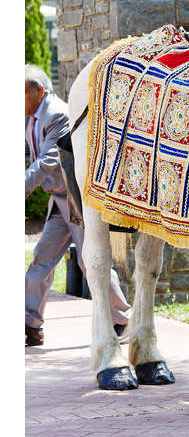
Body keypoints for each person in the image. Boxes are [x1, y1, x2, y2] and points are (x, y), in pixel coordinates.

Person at [25, 65, 131, 346]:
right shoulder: (30, 117)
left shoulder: (57, 113)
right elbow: (26, 152)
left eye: (21, 93)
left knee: (90, 261)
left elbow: (47, 162)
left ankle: (123, 319)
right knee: (42, 259)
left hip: (77, 199)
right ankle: (30, 324)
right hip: (59, 203)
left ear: (39, 91)